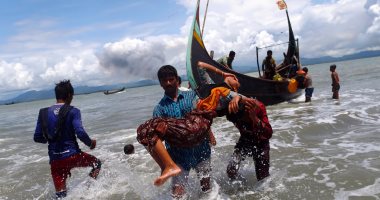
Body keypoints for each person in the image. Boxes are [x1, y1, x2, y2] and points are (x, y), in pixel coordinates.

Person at [150, 64, 243, 198]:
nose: (168, 83)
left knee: (207, 187)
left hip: (201, 150)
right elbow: (158, 138)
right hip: (178, 156)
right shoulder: (159, 109)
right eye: (165, 81)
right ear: (160, 84)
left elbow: (203, 116)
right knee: (177, 195)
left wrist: (210, 134)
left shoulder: (192, 96)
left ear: (177, 79)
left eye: (171, 79)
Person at [33, 80, 101, 199]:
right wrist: (90, 144)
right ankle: (88, 193)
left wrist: (50, 140)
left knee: (61, 196)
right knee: (97, 163)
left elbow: (37, 137)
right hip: (72, 156)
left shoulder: (43, 112)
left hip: (55, 161)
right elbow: (80, 132)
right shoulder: (73, 111)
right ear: (69, 95)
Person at [226, 98, 273, 181]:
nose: (241, 122)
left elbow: (268, 133)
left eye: (244, 119)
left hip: (261, 140)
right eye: (238, 121)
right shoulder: (232, 109)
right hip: (245, 138)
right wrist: (237, 97)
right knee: (231, 170)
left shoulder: (258, 107)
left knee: (263, 177)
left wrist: (254, 118)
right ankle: (240, 187)